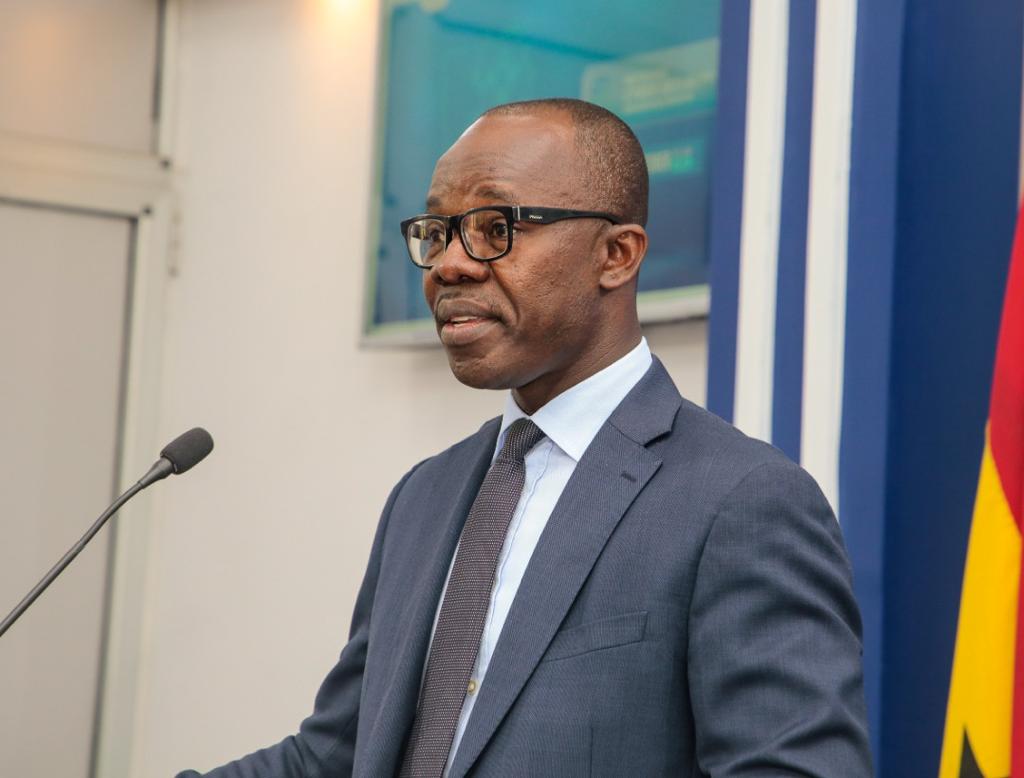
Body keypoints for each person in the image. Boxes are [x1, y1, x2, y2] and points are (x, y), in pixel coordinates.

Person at [179, 98, 872, 777]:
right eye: (438, 232)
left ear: (616, 255)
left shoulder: (740, 500)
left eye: (495, 227)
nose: (449, 264)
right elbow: (335, 757)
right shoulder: (424, 495)